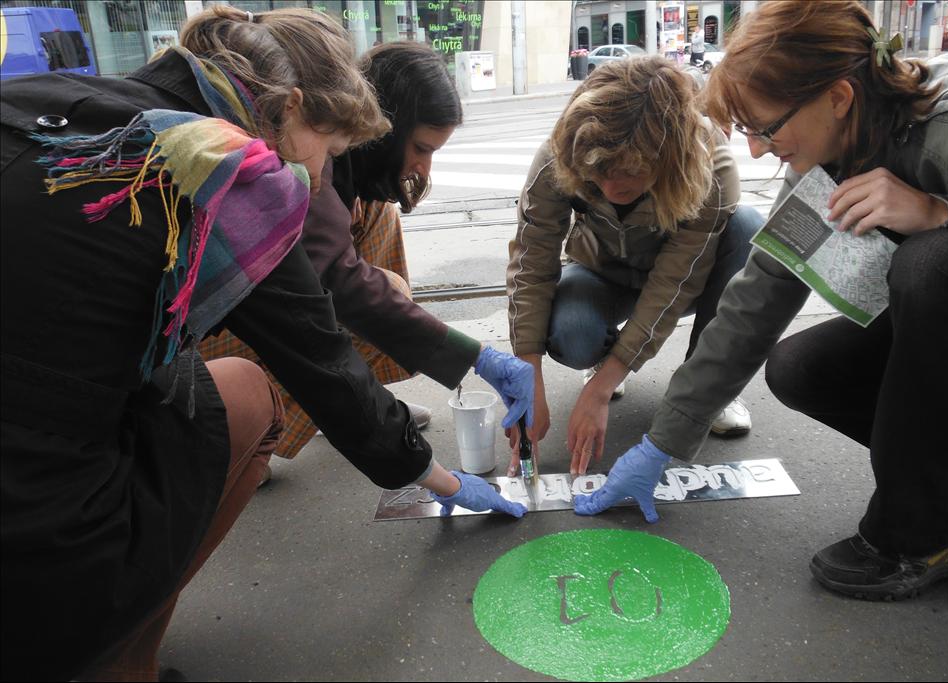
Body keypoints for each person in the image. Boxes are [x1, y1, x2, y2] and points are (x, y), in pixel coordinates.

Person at [0, 7, 532, 681]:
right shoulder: (232, 173)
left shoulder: (46, 96)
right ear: (295, 107)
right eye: (328, 153)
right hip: (35, 560)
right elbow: (325, 366)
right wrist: (441, 478)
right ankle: (118, 661)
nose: (318, 178)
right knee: (248, 394)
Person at [573, 0, 948, 602]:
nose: (757, 150)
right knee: (800, 367)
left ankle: (929, 535)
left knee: (935, 261)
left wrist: (942, 214)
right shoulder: (820, 161)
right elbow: (757, 298)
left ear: (838, 98)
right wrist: (662, 443)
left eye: (765, 127)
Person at [198, 41, 464, 483]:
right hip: (216, 334)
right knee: (382, 299)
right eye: (420, 148)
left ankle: (357, 403)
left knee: (380, 221)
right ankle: (246, 435)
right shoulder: (297, 160)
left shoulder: (334, 156)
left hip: (267, 308)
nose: (423, 167)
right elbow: (333, 294)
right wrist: (431, 471)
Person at [507, 55, 765, 476]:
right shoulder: (563, 151)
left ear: (669, 155)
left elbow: (674, 283)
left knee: (748, 228)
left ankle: (707, 387)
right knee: (574, 334)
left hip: (682, 281)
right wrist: (527, 380)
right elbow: (531, 263)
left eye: (629, 172)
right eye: (598, 174)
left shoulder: (707, 162)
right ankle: (606, 360)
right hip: (599, 273)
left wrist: (600, 392)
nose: (611, 187)